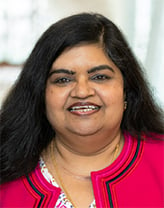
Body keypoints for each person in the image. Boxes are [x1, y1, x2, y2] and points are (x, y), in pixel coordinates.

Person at [0, 12, 164, 208]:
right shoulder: (5, 174)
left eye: (100, 77)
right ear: (41, 94)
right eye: (63, 80)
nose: (82, 91)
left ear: (126, 90)